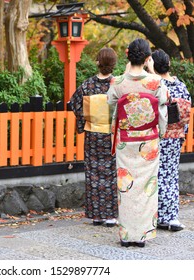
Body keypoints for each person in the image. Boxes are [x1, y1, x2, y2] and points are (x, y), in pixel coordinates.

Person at [107, 38, 169, 247]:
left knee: (126, 187)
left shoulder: (117, 82)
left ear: (128, 55)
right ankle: (141, 235)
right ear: (147, 58)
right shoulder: (155, 82)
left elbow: (110, 104)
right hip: (149, 141)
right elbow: (163, 105)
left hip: (126, 140)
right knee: (145, 188)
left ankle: (126, 235)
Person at [69, 47, 118, 227]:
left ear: (98, 62)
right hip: (112, 135)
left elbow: (74, 104)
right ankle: (111, 215)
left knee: (94, 173)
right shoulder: (117, 84)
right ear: (113, 64)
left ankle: (97, 214)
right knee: (111, 173)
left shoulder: (88, 85)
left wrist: (84, 121)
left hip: (93, 134)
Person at [151, 49, 191, 231]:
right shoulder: (181, 86)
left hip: (160, 134)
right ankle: (172, 215)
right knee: (171, 175)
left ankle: (160, 216)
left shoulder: (157, 86)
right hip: (176, 135)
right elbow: (186, 114)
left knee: (158, 174)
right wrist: (183, 132)